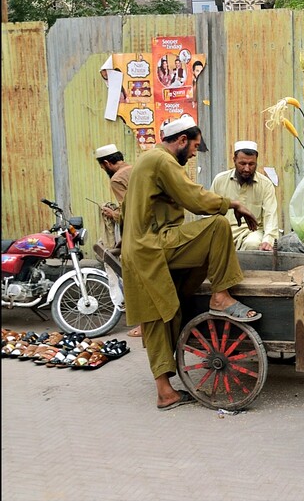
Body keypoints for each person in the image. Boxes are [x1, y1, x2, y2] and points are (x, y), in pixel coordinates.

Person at [120, 115, 262, 411]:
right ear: (182, 141)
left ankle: (165, 393)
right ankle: (220, 295)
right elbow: (193, 198)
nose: (195, 152)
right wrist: (232, 204)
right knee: (217, 227)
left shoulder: (148, 161)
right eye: (194, 146)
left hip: (144, 246)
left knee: (162, 315)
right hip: (151, 245)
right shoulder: (162, 160)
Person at [94, 143, 139, 337]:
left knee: (135, 279)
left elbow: (130, 212)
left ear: (106, 163)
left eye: (102, 167)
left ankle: (145, 325)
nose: (104, 170)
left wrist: (111, 213)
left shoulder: (117, 179)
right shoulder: (136, 169)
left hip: (137, 234)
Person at [210, 141, 280, 251]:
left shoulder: (265, 184)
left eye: (251, 164)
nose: (247, 169)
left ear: (256, 162)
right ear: (234, 161)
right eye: (242, 164)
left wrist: (268, 240)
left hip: (253, 232)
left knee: (252, 244)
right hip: (224, 230)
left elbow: (270, 216)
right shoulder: (220, 180)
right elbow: (210, 211)